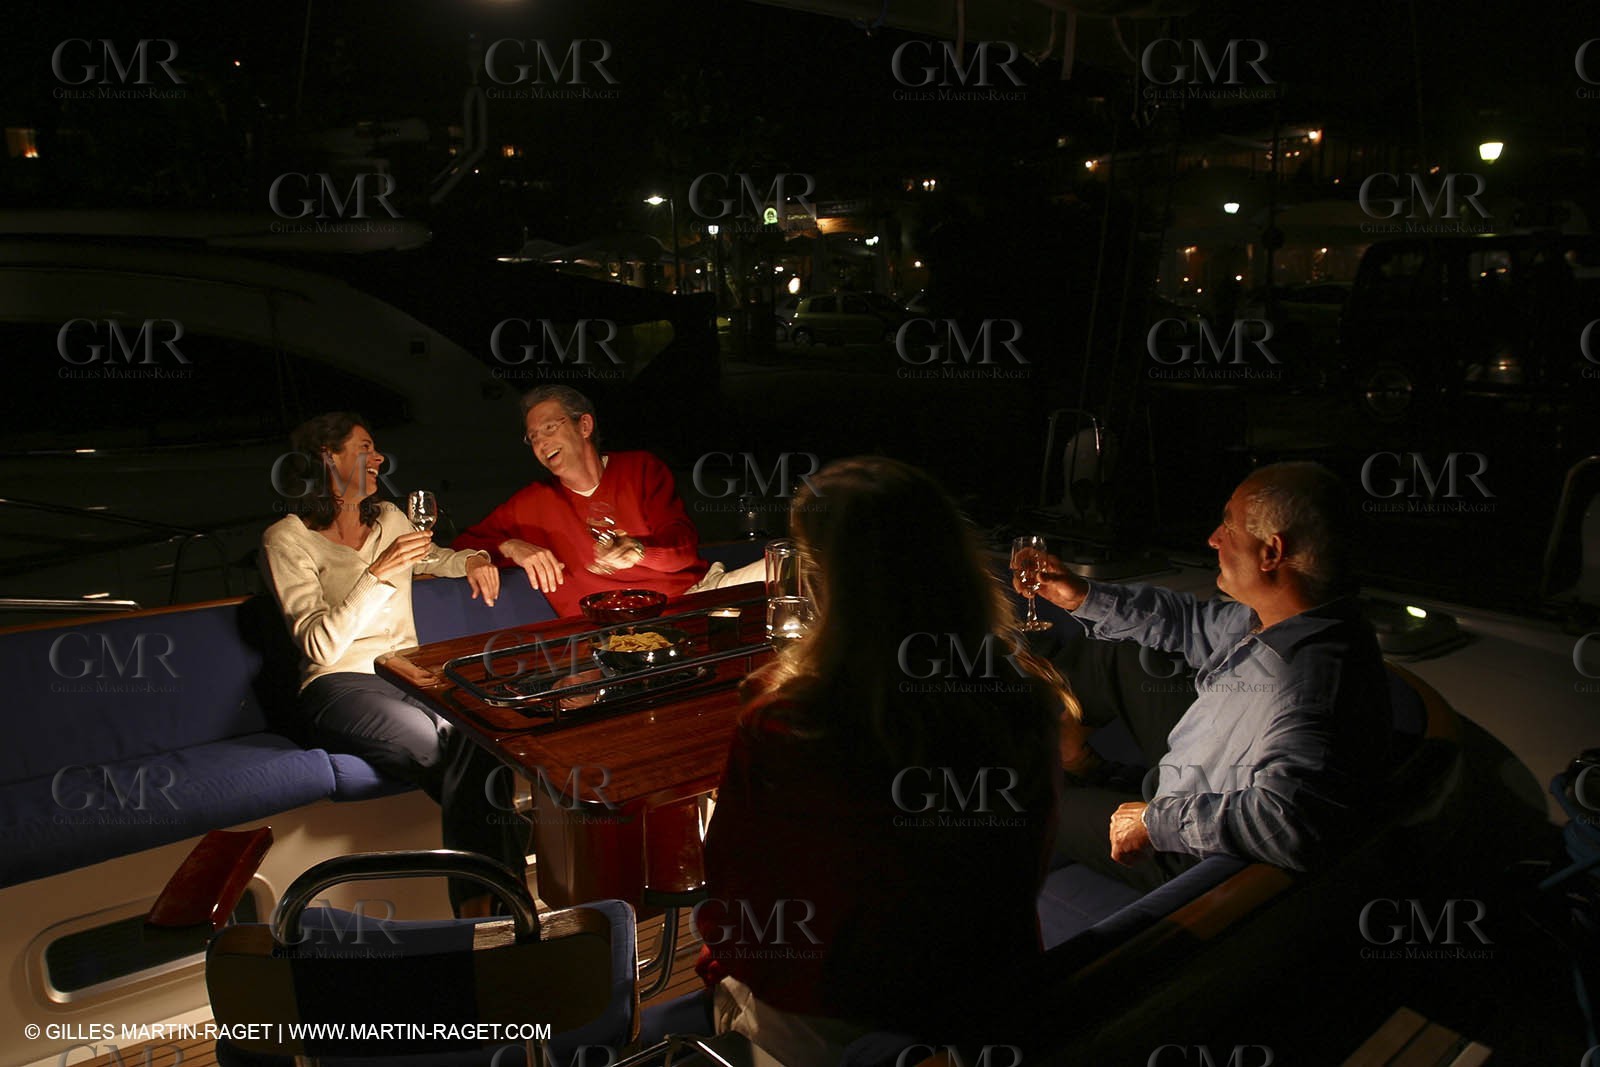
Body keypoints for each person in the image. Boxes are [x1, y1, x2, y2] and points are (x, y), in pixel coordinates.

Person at [696, 457, 1066, 1060]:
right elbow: (1019, 869)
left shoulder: (787, 725)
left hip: (837, 1016)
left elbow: (736, 901)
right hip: (988, 993)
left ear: (827, 581)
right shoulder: (1023, 701)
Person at [1028, 461, 1393, 891]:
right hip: (1195, 778)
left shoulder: (1308, 685)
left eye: (1228, 526)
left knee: (1027, 798)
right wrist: (1080, 595)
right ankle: (1080, 762)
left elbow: (1289, 825)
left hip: (1186, 850)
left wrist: (1153, 821)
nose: (1214, 539)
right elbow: (1187, 622)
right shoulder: (1282, 615)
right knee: (1115, 650)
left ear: (1271, 553)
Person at [260, 412, 525, 916]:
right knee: (443, 747)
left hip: (406, 673)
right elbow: (319, 644)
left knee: (479, 733)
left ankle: (491, 907)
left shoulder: (389, 519)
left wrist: (470, 559)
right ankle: (488, 906)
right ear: (327, 457)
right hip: (339, 683)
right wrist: (375, 573)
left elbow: (429, 556)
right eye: (364, 448)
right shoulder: (288, 539)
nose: (378, 458)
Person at [453, 385, 713, 617]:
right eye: (533, 438)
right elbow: (462, 546)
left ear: (584, 426)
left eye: (549, 428)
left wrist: (639, 551)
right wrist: (511, 546)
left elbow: (684, 549)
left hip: (692, 599)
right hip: (614, 633)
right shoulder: (531, 502)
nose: (541, 442)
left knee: (755, 579)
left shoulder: (640, 469)